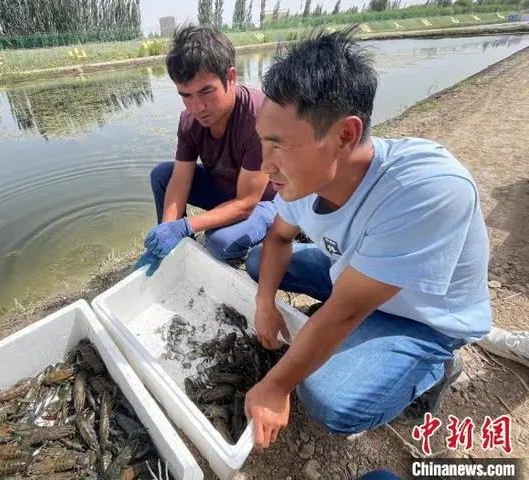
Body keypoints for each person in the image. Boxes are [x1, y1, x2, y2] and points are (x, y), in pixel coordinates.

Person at [242, 25, 492, 451]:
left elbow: (342, 314)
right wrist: (264, 303)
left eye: (279, 146)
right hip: (357, 274)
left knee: (328, 400)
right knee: (256, 262)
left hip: (422, 315)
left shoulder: (427, 189)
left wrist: (275, 386)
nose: (266, 166)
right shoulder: (303, 180)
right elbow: (278, 240)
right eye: (262, 143)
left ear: (344, 135)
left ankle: (436, 367)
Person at [134, 25, 276, 276]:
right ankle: (172, 248)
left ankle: (256, 239)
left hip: (263, 201)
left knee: (218, 243)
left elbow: (246, 202)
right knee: (162, 175)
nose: (197, 107)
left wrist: (187, 225)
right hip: (223, 190)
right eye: (185, 95)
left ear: (230, 77)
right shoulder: (189, 121)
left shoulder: (258, 118)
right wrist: (169, 229)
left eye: (206, 91)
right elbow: (179, 181)